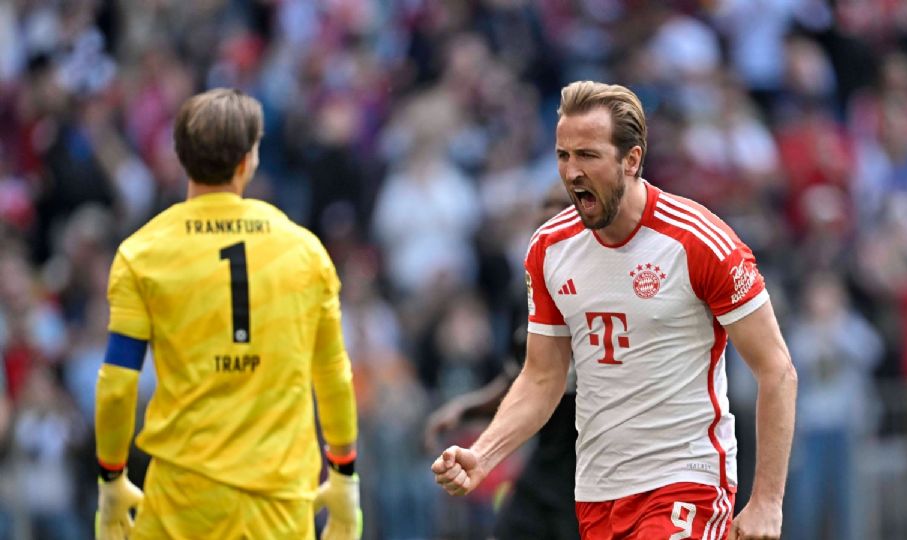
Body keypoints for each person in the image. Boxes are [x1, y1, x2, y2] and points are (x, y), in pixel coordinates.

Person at [432, 81, 797, 540]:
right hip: (597, 492)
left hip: (685, 482)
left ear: (632, 160)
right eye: (563, 156)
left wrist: (767, 501)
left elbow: (776, 369)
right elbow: (542, 378)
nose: (572, 172)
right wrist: (483, 455)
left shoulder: (699, 242)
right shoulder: (548, 250)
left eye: (587, 155)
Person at [94, 88, 360, 540]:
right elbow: (333, 374)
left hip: (181, 501)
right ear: (249, 160)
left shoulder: (143, 253)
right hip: (280, 501)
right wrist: (344, 473)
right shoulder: (304, 251)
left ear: (181, 158)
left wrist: (111, 477)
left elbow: (118, 386)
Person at [424, 183, 580, 540]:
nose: (548, 212)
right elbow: (522, 378)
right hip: (547, 464)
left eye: (561, 205)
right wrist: (467, 409)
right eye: (544, 204)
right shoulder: (526, 294)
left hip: (596, 470)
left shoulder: (604, 293)